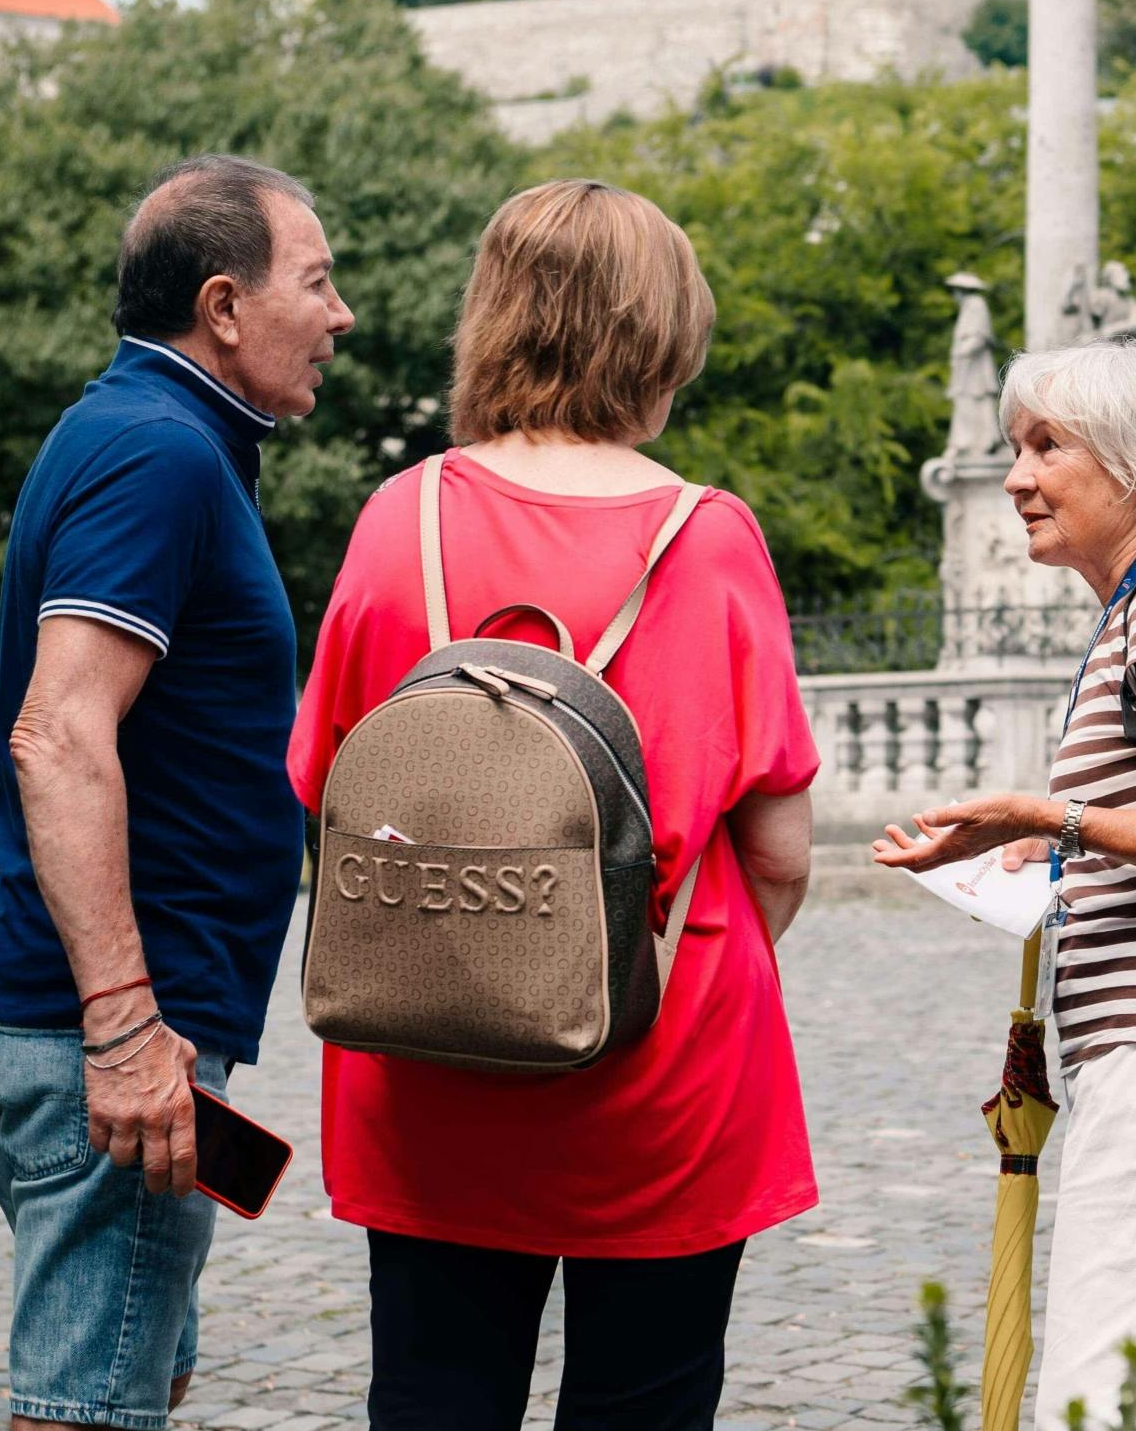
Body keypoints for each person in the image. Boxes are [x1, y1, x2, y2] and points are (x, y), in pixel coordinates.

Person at [288, 178, 819, 1431]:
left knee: (434, 1397)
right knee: (646, 1401)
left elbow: (323, 787)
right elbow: (782, 850)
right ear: (661, 331)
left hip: (428, 1055)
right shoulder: (709, 534)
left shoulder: (399, 517)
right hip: (662, 1066)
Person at [0, 154, 353, 1431]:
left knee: (141, 1366)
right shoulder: (158, 453)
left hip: (114, 1022)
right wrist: (125, 1026)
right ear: (223, 305)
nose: (340, 315)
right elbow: (61, 733)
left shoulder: (155, 434)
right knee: (81, 1405)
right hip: (114, 1033)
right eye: (318, 279)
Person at [871, 330, 1136, 1431]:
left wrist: (1048, 814)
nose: (1015, 475)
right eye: (1016, 445)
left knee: (1107, 1400)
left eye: (1046, 445)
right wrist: (1045, 849)